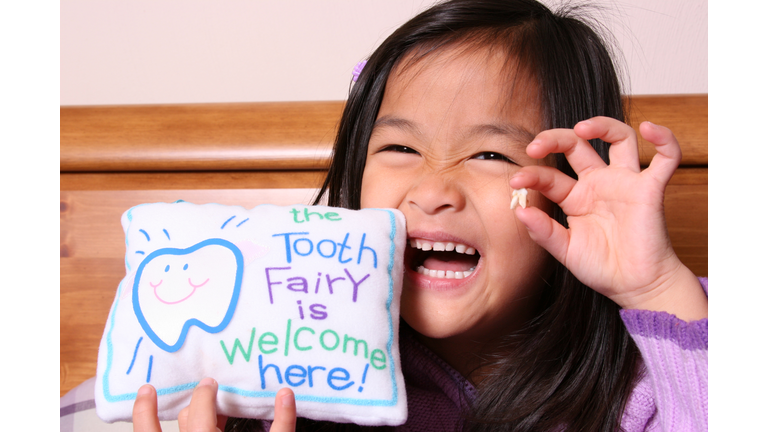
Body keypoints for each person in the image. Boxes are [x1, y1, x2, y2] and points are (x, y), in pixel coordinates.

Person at [132, 0, 708, 430]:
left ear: (570, 191)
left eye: (490, 154)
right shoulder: (290, 375)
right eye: (400, 150)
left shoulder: (655, 370)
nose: (434, 190)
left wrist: (655, 286)